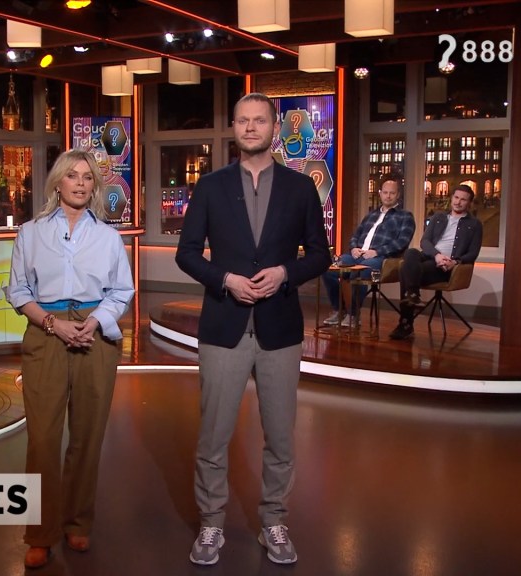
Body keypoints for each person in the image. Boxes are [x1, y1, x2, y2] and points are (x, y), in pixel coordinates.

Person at [175, 93, 331, 566]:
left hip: (279, 328)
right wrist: (224, 279)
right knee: (213, 437)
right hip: (224, 326)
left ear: (274, 127)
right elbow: (187, 253)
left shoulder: (300, 188)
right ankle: (211, 524)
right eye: (242, 120)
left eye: (258, 120)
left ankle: (274, 521)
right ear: (235, 128)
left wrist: (285, 273)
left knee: (280, 437)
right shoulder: (210, 186)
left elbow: (320, 255)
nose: (249, 127)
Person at [6, 149, 135, 570]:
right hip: (46, 332)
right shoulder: (30, 233)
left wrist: (94, 322)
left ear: (94, 185)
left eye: (87, 177)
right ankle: (40, 533)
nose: (80, 183)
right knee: (42, 439)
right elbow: (19, 291)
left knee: (87, 435)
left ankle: (78, 521)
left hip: (95, 335)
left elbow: (122, 291)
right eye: (72, 175)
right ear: (57, 182)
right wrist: (52, 324)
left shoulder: (108, 238)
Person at [388, 184, 483, 340]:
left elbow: (473, 253)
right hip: (431, 256)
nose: (458, 202)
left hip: (446, 265)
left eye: (463, 200)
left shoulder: (474, 224)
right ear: (451, 198)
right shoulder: (438, 217)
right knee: (411, 253)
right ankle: (412, 294)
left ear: (469, 203)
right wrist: (437, 254)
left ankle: (405, 322)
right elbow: (424, 242)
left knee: (406, 268)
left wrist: (455, 262)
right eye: (456, 197)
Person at [321, 175, 415, 328]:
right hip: (358, 255)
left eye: (392, 193)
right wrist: (353, 248)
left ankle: (353, 315)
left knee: (360, 271)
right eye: (385, 192)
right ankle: (339, 310)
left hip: (382, 259)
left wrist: (376, 252)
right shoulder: (371, 215)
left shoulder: (405, 216)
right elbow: (355, 236)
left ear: (398, 194)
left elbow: (401, 243)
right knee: (328, 269)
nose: (388, 196)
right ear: (380, 193)